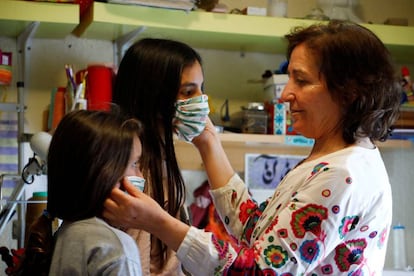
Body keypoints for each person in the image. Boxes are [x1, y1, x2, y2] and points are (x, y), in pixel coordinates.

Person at [103, 20, 401, 275]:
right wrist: (209, 144)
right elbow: (257, 230)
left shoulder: (341, 174)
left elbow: (260, 269)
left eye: (301, 80)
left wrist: (157, 221)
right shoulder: (329, 161)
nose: (285, 94)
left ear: (347, 91)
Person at [112, 38, 209, 275]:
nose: (201, 100)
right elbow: (139, 261)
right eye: (188, 91)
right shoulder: (132, 172)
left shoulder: (160, 160)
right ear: (153, 95)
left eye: (200, 89)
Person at [21, 109, 144, 275]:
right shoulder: (115, 249)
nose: (141, 175)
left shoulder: (67, 232)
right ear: (105, 174)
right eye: (135, 164)